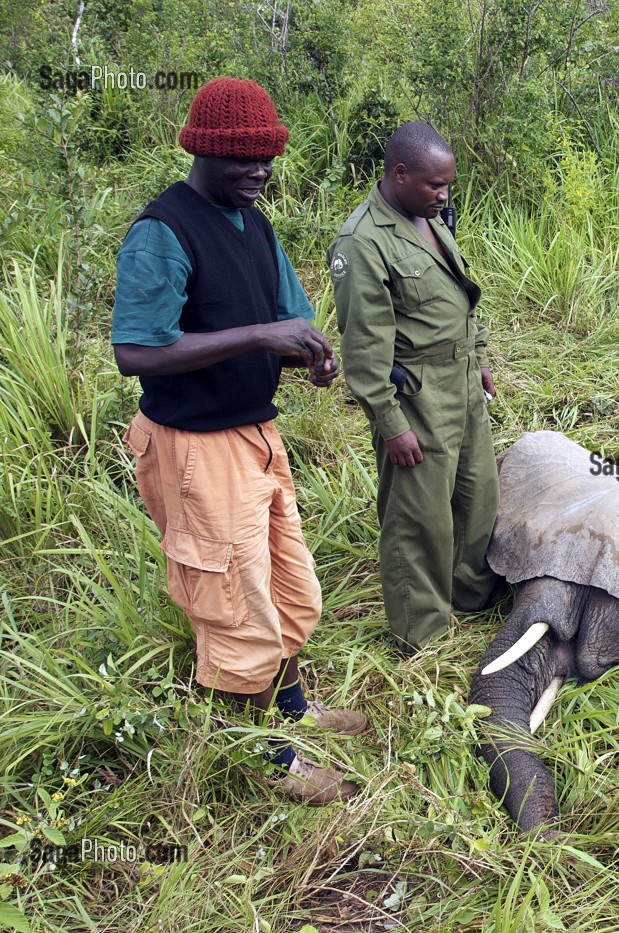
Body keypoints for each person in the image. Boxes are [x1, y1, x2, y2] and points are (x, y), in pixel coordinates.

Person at [112, 77, 366, 805]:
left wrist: (308, 355)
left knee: (286, 582)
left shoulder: (255, 225)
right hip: (194, 445)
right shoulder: (163, 231)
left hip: (255, 432)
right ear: (203, 151)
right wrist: (261, 335)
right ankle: (270, 757)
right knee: (234, 598)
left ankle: (291, 704)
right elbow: (135, 349)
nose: (259, 171)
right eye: (243, 159)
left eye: (267, 158)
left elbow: (289, 317)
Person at [328, 122, 504, 656]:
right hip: (416, 393)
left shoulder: (427, 217)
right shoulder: (362, 242)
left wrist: (477, 358)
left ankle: (470, 595)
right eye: (434, 185)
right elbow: (363, 347)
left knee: (477, 497)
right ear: (399, 174)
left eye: (448, 185)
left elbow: (458, 296)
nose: (444, 195)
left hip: (461, 384)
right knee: (418, 516)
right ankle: (420, 633)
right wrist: (391, 424)